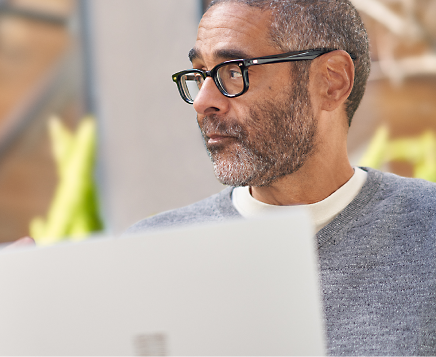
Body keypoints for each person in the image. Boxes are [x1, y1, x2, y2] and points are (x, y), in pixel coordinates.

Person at [128, 0, 436, 355]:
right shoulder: (150, 253)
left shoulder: (427, 230)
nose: (203, 101)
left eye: (233, 71)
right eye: (200, 74)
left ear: (331, 82)